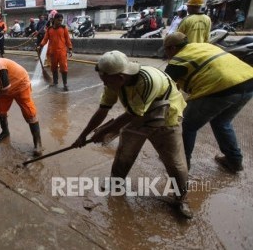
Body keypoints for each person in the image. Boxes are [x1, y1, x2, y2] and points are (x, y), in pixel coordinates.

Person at [72, 50, 192, 219]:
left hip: (165, 119)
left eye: (106, 81)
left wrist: (105, 131)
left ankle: (181, 199)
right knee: (124, 154)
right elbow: (103, 109)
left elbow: (132, 115)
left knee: (174, 162)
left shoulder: (148, 80)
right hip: (137, 116)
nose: (104, 84)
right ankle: (116, 183)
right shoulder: (112, 81)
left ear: (120, 77)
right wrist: (83, 135)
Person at [164, 32, 253, 173]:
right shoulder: (204, 46)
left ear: (172, 48)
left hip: (222, 87)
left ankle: (182, 167)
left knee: (186, 126)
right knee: (222, 122)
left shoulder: (177, 61)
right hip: (248, 81)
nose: (167, 54)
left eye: (166, 50)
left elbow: (164, 89)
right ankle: (234, 161)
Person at [37, 13, 73, 91]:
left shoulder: (64, 29)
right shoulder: (49, 29)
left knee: (64, 68)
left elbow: (67, 40)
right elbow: (45, 39)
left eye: (61, 20)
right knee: (53, 67)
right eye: (58, 20)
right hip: (52, 52)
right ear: (54, 20)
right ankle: (55, 82)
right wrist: (40, 45)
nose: (60, 22)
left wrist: (70, 49)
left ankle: (65, 84)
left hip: (62, 52)